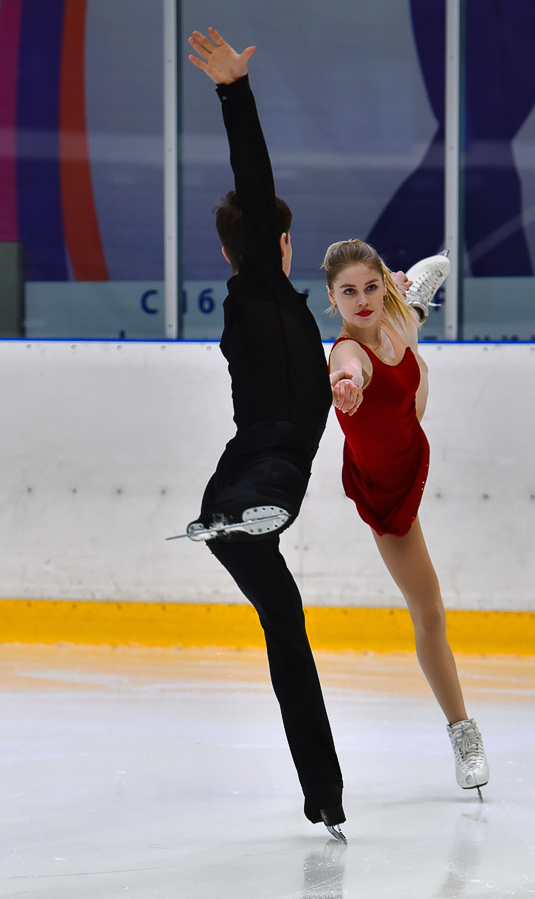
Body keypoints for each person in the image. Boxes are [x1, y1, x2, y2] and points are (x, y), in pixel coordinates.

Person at [182, 27, 351, 841]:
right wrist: (232, 92)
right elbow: (255, 183)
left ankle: (323, 792)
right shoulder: (254, 294)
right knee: (275, 480)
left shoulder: (295, 317)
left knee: (287, 629)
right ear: (254, 244)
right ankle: (255, 515)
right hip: (261, 473)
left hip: (241, 490)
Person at [325, 238, 489, 796]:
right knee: (431, 612)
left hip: (409, 419)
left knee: (408, 325)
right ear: (332, 298)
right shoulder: (347, 352)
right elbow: (351, 369)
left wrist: (395, 297)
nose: (362, 300)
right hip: (386, 488)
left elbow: (384, 311)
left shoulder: (389, 318)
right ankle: (463, 730)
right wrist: (346, 383)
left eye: (372, 287)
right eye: (349, 293)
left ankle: (412, 294)